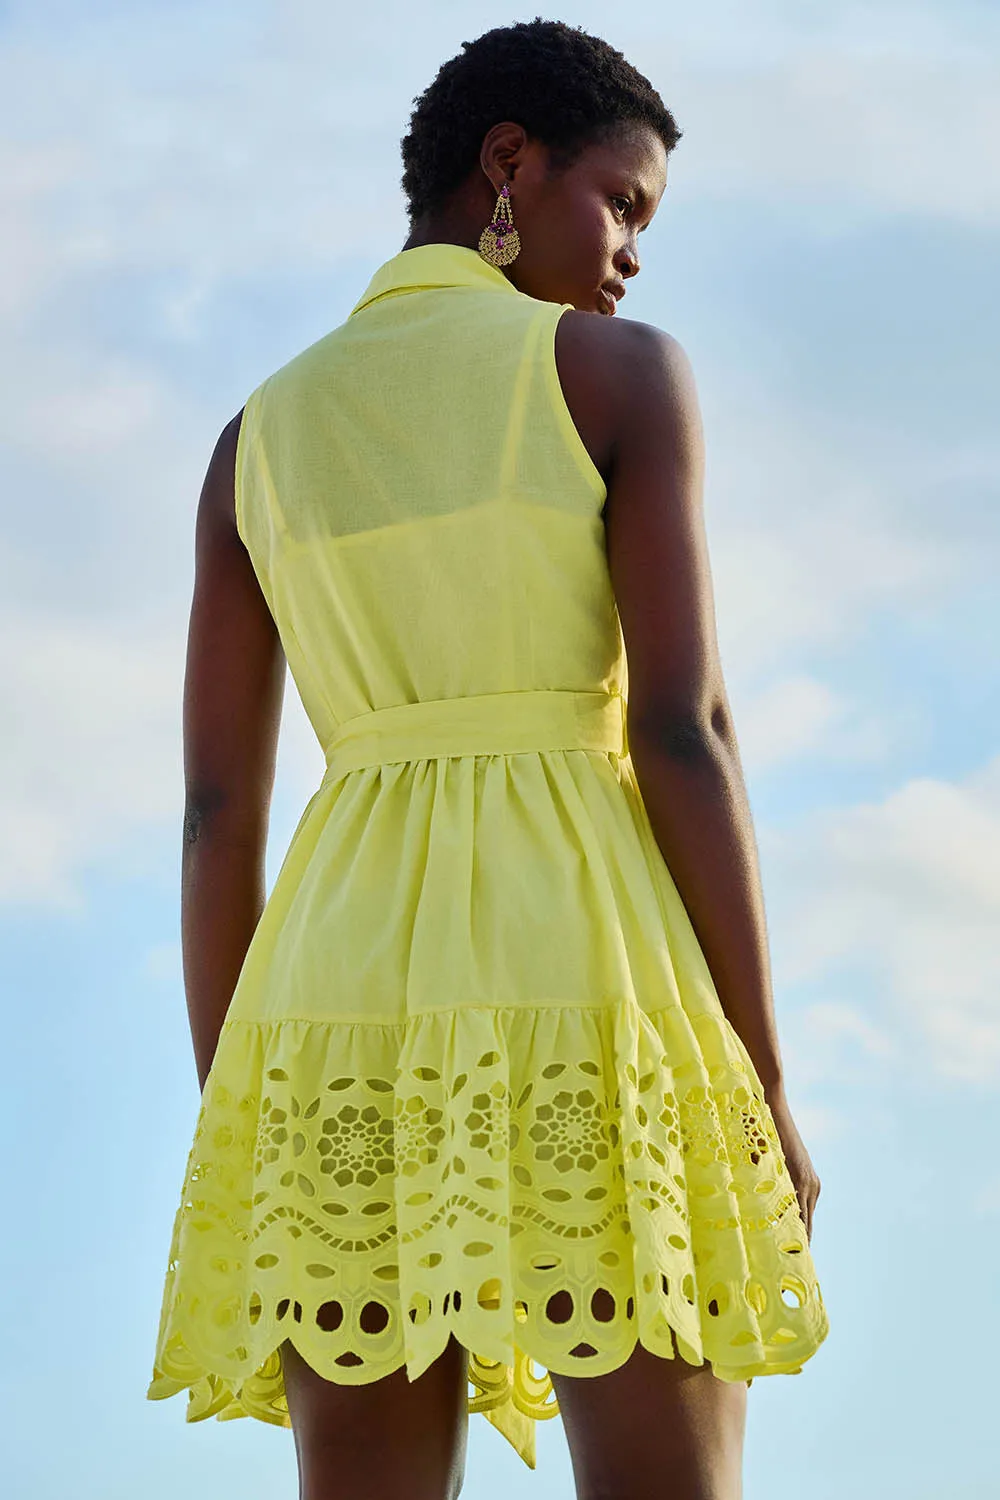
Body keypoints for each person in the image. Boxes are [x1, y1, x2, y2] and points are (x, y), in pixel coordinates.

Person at [146, 18, 829, 1500]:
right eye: (625, 203)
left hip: (331, 1004)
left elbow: (213, 817)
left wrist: (243, 1108)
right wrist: (766, 1077)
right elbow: (681, 731)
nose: (636, 253)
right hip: (585, 964)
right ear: (507, 163)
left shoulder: (253, 439)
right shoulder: (618, 377)